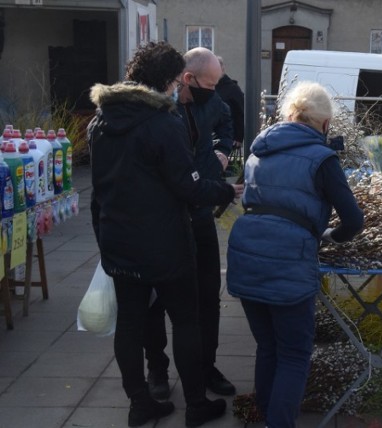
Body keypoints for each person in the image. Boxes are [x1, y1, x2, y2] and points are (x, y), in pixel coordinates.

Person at [87, 41, 243, 427]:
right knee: (186, 321)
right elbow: (188, 187)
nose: (179, 89)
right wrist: (225, 190)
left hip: (118, 241)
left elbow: (98, 190)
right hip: (165, 245)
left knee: (130, 322)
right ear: (165, 82)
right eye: (176, 81)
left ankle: (140, 404)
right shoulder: (163, 123)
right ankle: (195, 405)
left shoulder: (99, 122)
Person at [226, 81, 364, 428]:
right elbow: (354, 220)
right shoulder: (323, 159)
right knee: (293, 354)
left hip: (246, 255)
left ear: (289, 115)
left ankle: (264, 416)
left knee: (268, 347)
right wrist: (331, 236)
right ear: (325, 123)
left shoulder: (259, 150)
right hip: (288, 261)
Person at [143, 47, 238, 399]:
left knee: (207, 297)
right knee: (155, 302)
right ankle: (157, 369)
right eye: (209, 83)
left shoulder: (211, 101)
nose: (214, 90)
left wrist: (223, 151)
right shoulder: (158, 109)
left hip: (199, 214)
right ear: (187, 78)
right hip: (164, 221)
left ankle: (205, 366)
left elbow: (227, 120)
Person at [216, 55, 245, 148]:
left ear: (222, 69)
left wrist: (239, 137)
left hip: (227, 136)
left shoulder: (233, 88)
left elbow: (240, 113)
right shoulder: (211, 85)